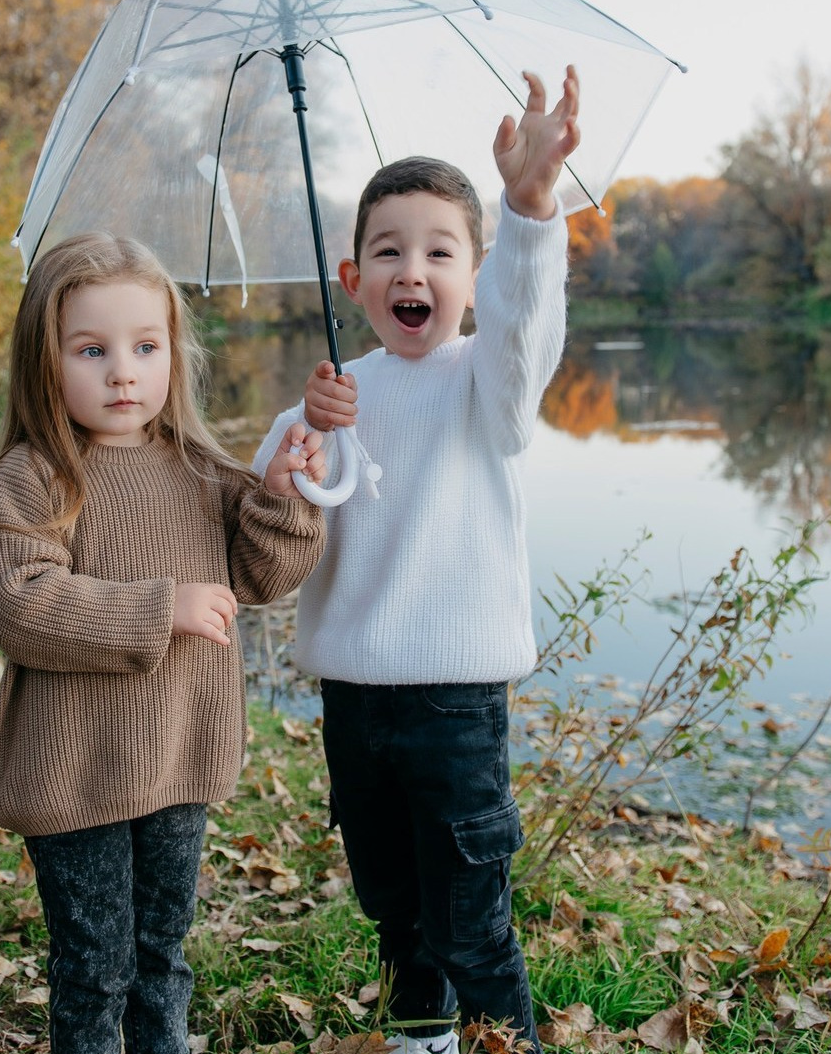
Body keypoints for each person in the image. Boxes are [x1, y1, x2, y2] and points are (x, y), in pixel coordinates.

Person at [253, 67, 580, 1054]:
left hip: (456, 701)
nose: (412, 270)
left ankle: (501, 1042)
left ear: (471, 277)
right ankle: (419, 1038)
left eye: (439, 252)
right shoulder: (330, 394)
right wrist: (297, 447)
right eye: (387, 251)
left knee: (470, 922)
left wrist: (528, 210)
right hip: (352, 696)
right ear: (349, 279)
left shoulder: (487, 385)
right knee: (393, 905)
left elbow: (525, 332)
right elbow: (271, 515)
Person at [0, 232, 328, 1054]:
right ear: (45, 361)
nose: (122, 372)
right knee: (96, 965)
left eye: (144, 346)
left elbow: (266, 573)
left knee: (162, 957)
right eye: (91, 350)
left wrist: (279, 497)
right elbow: (19, 604)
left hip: (178, 759)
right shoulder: (34, 479)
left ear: (174, 353)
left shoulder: (201, 471)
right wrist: (159, 607)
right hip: (74, 771)